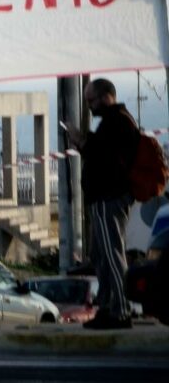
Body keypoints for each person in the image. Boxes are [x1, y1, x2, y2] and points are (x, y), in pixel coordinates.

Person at [66, 78, 139, 330]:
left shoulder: (118, 122)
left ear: (107, 95)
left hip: (110, 197)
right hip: (104, 197)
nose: (89, 106)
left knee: (111, 254)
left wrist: (83, 141)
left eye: (92, 100)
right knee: (101, 255)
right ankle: (109, 306)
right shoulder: (114, 122)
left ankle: (120, 309)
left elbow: (107, 160)